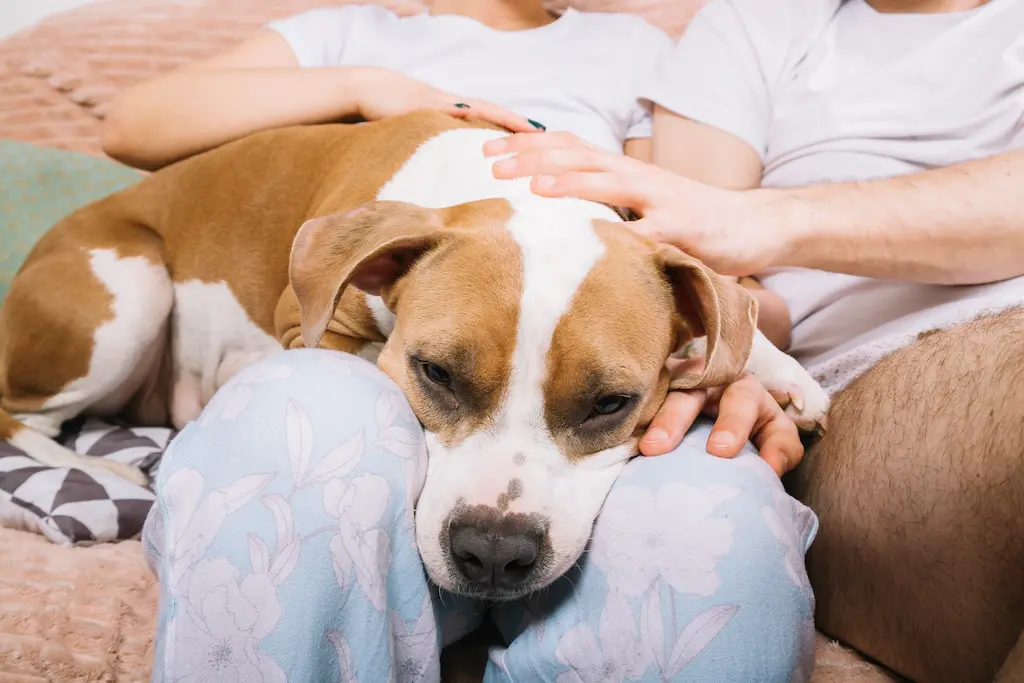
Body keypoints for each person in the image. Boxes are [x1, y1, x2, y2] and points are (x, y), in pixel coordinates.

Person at [112, 1, 821, 681]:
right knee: (308, 412)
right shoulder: (347, 37)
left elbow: (703, 260)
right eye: (443, 378)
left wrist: (734, 353)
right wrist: (367, 88)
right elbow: (130, 124)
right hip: (399, 305)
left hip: (587, 316)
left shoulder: (634, 54)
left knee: (718, 521)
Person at [488, 0, 1024, 681]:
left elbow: (726, 223)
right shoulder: (758, 19)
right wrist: (720, 348)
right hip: (878, 382)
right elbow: (701, 270)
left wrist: (764, 220)